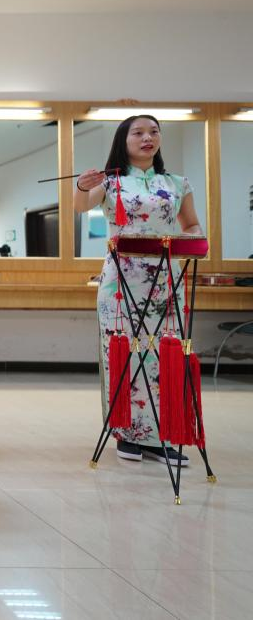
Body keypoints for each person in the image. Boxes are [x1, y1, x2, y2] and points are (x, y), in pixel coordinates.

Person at [74, 114, 203, 465]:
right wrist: (84, 186)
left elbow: (191, 224)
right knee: (123, 353)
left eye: (154, 132)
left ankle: (162, 437)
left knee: (164, 355)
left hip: (165, 280)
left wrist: (188, 240)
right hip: (120, 280)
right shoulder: (112, 181)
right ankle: (126, 434)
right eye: (138, 132)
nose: (148, 137)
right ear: (123, 140)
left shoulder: (177, 183)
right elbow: (80, 206)